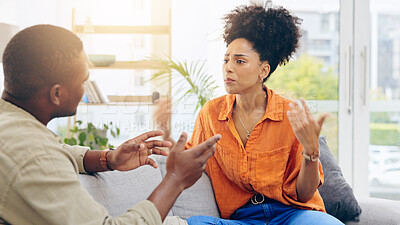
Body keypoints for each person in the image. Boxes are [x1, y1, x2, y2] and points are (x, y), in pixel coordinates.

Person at [0, 24, 221, 225]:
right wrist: (175, 180)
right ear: (57, 94)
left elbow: (56, 151)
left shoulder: (13, 126)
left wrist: (109, 158)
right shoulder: (35, 157)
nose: (85, 89)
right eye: (83, 81)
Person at [155, 3, 344, 225]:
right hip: (242, 220)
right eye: (226, 60)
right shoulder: (212, 114)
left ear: (263, 70)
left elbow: (304, 194)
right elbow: (190, 159)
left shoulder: (290, 115)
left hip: (292, 215)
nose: (228, 67)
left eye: (239, 61)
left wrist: (311, 152)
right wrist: (165, 131)